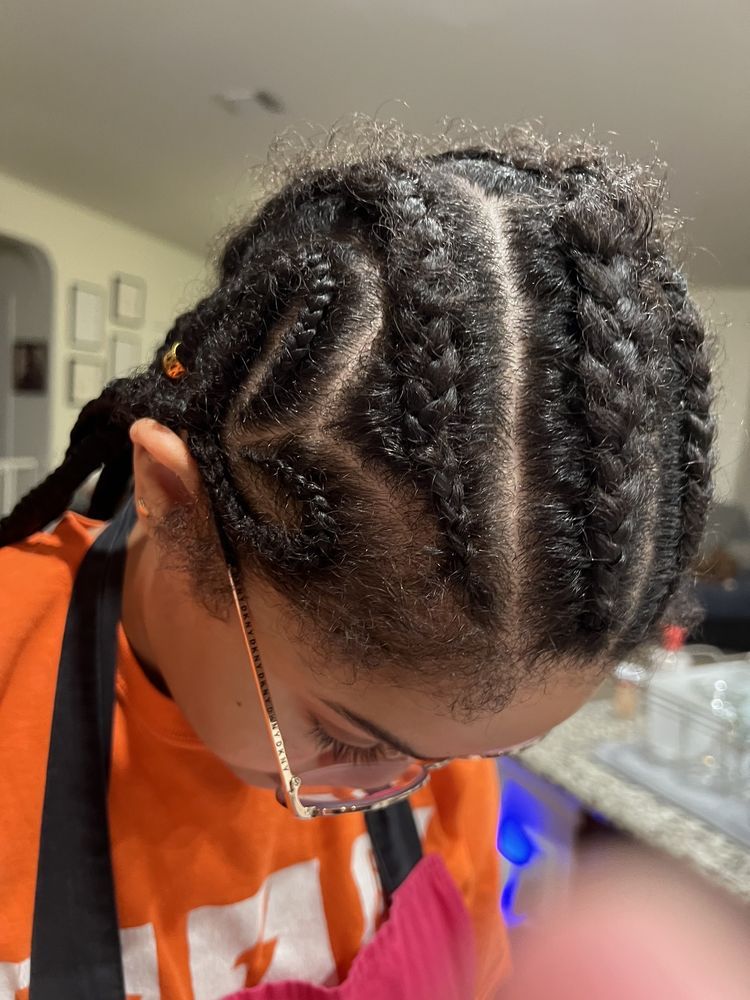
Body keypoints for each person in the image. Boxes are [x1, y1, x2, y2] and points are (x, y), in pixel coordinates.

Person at [0, 125, 715, 999]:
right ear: (171, 498)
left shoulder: (432, 752)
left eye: (459, 759)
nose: (390, 795)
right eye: (344, 740)